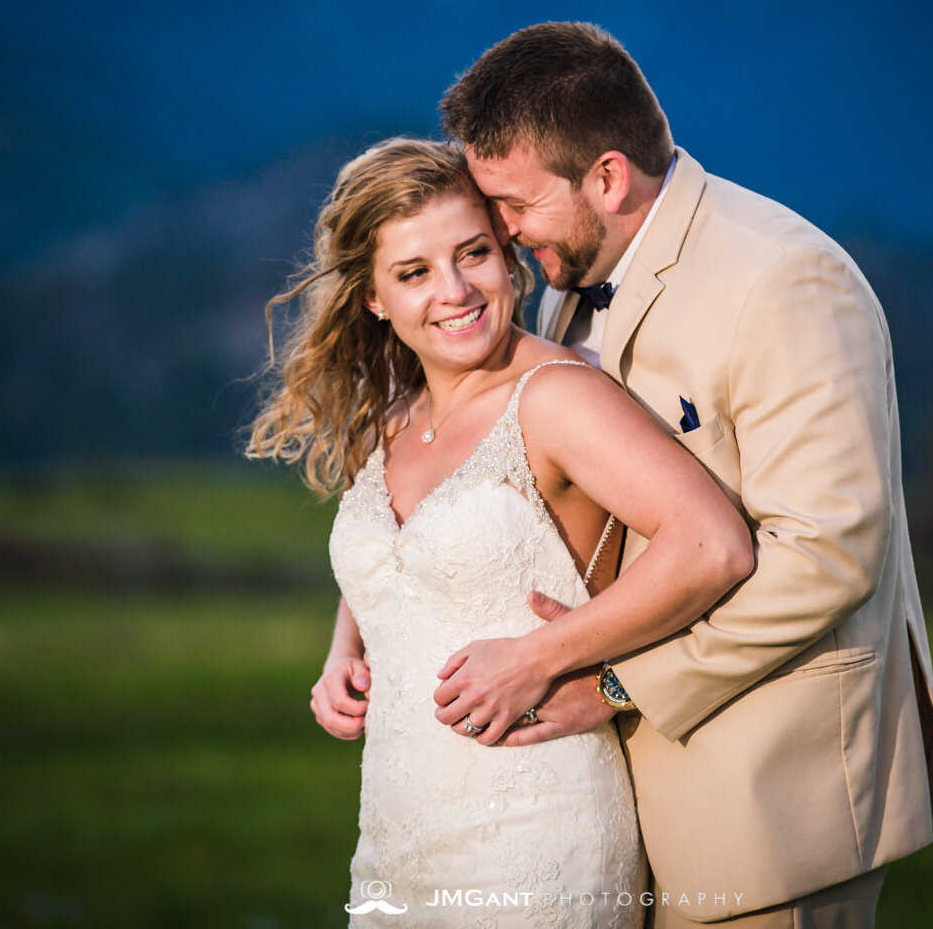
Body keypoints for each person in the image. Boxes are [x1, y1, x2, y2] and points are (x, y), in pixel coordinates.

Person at [434, 22, 933, 928]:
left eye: (515, 204)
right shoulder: (569, 275)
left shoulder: (787, 281)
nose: (503, 234)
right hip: (619, 805)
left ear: (606, 176)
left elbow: (828, 554)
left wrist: (610, 684)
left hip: (771, 801)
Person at [246, 137, 753, 927]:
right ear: (374, 298)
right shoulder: (394, 419)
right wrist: (347, 649)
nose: (454, 290)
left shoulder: (554, 397)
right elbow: (405, 561)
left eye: (473, 253)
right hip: (397, 835)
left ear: (506, 254)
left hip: (538, 829)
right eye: (413, 273)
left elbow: (712, 544)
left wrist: (540, 656)